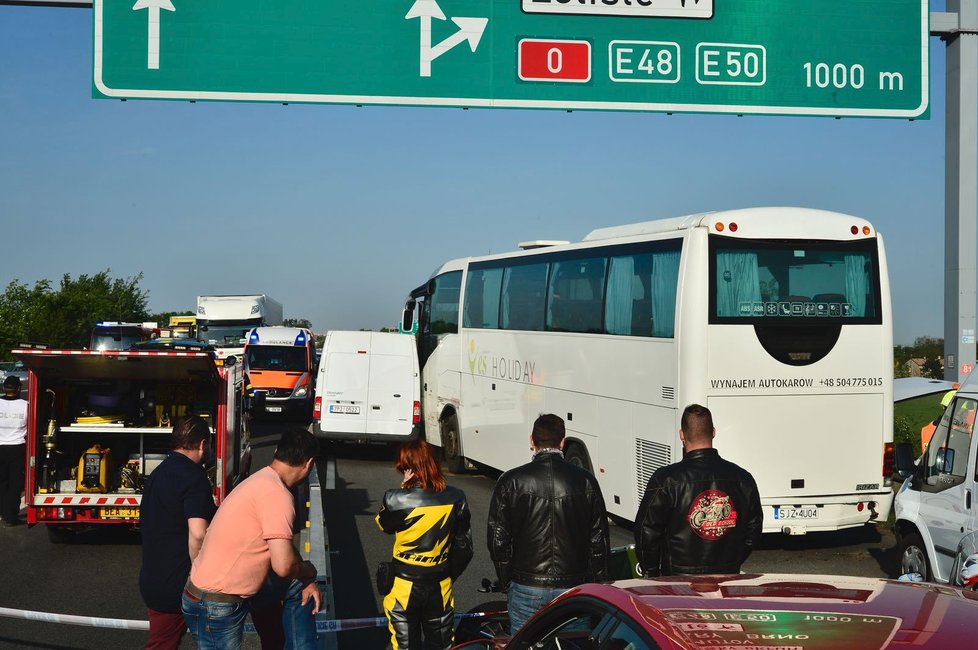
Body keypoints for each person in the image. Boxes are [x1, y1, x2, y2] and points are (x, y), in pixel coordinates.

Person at [182, 427, 321, 650]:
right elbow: (284, 566)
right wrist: (309, 571)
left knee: (295, 587)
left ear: (277, 452)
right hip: (216, 604)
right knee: (294, 579)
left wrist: (305, 580)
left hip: (208, 595)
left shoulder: (260, 480)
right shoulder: (278, 495)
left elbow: (282, 548)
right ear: (309, 463)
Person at [487, 414, 609, 635]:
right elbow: (598, 540)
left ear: (532, 440)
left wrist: (508, 580)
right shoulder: (586, 481)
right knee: (572, 643)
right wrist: (598, 581)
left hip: (527, 583)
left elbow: (498, 540)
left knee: (526, 641)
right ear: (562, 442)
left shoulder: (511, 481)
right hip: (573, 585)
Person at [635, 403, 763, 577]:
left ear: (682, 434)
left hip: (678, 580)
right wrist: (734, 559)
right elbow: (753, 527)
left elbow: (646, 532)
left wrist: (652, 573)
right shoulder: (742, 478)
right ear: (713, 432)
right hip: (727, 578)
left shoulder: (666, 479)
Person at [376, 439, 473, 650]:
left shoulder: (395, 499)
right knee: (441, 645)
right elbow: (465, 548)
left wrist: (403, 488)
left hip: (403, 586)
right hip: (440, 584)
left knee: (403, 646)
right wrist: (446, 574)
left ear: (407, 469)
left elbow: (384, 525)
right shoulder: (457, 497)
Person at [139, 415, 217, 649]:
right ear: (202, 444)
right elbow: (198, 533)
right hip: (179, 585)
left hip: (153, 578)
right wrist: (199, 576)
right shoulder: (194, 477)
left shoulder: (158, 474)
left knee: (164, 642)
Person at [0, 375, 27, 527]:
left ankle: (4, 512)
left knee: (2, 482)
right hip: (17, 448)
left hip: (0, 447)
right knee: (15, 484)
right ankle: (10, 514)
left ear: (4, 388)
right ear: (19, 389)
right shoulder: (25, 405)